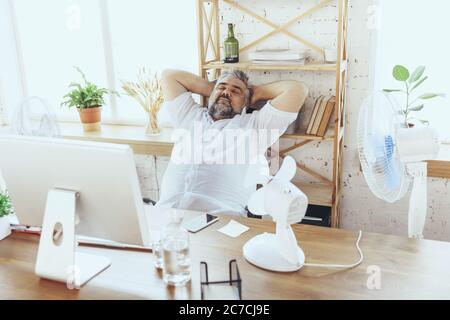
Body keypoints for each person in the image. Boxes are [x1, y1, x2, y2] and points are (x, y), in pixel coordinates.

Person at [155, 69, 308, 216]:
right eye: (222, 87)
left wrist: (257, 92)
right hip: (167, 214)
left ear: (246, 103)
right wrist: (211, 88)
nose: (227, 92)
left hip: (219, 220)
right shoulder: (188, 114)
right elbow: (169, 75)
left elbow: (297, 90)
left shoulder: (255, 127)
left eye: (236, 91)